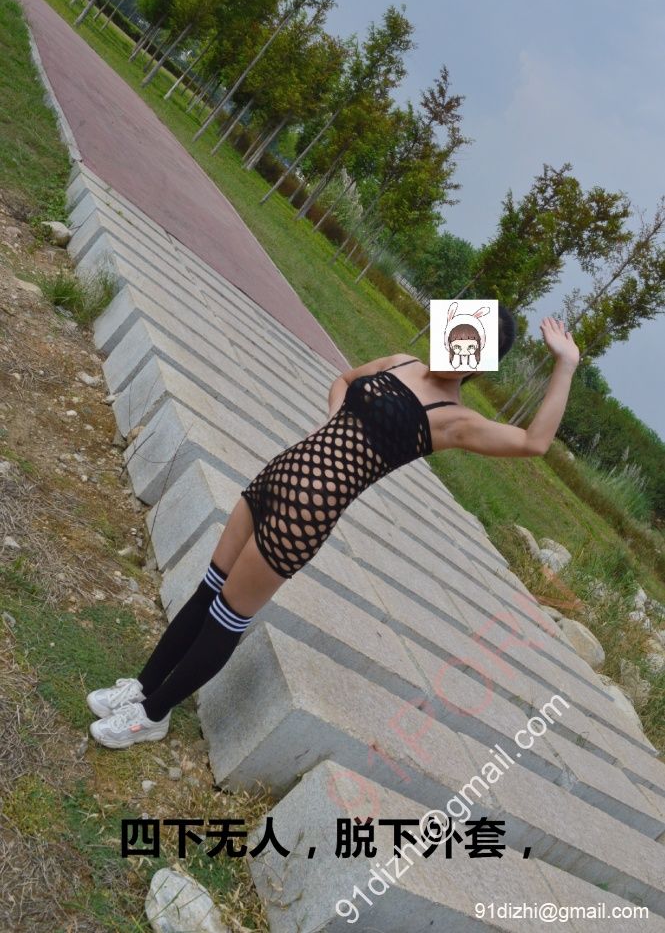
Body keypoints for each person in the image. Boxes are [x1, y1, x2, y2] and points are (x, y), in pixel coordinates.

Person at [87, 308, 579, 748]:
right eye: (459, 330)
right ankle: (143, 687)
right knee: (207, 591)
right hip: (278, 475)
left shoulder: (454, 419)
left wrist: (566, 364)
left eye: (472, 344)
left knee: (226, 617)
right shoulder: (402, 361)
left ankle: (152, 716)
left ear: (479, 362)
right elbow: (344, 379)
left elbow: (533, 442)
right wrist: (334, 422)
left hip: (304, 517)